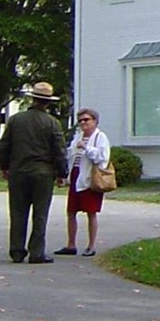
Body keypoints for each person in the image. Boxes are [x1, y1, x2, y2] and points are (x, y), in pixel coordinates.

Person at [0, 81, 68, 264]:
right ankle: (37, 252)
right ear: (48, 102)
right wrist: (62, 173)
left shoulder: (15, 120)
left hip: (19, 171)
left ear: (33, 99)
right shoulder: (53, 123)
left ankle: (17, 250)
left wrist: (4, 166)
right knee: (40, 213)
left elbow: (4, 146)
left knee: (18, 212)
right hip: (43, 173)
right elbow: (59, 151)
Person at [55, 108, 111, 257]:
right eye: (80, 120)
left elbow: (102, 157)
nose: (83, 123)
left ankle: (91, 245)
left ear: (94, 121)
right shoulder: (78, 137)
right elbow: (71, 155)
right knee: (71, 211)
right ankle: (71, 244)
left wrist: (86, 148)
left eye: (86, 120)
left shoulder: (100, 137)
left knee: (91, 212)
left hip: (90, 178)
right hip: (76, 175)